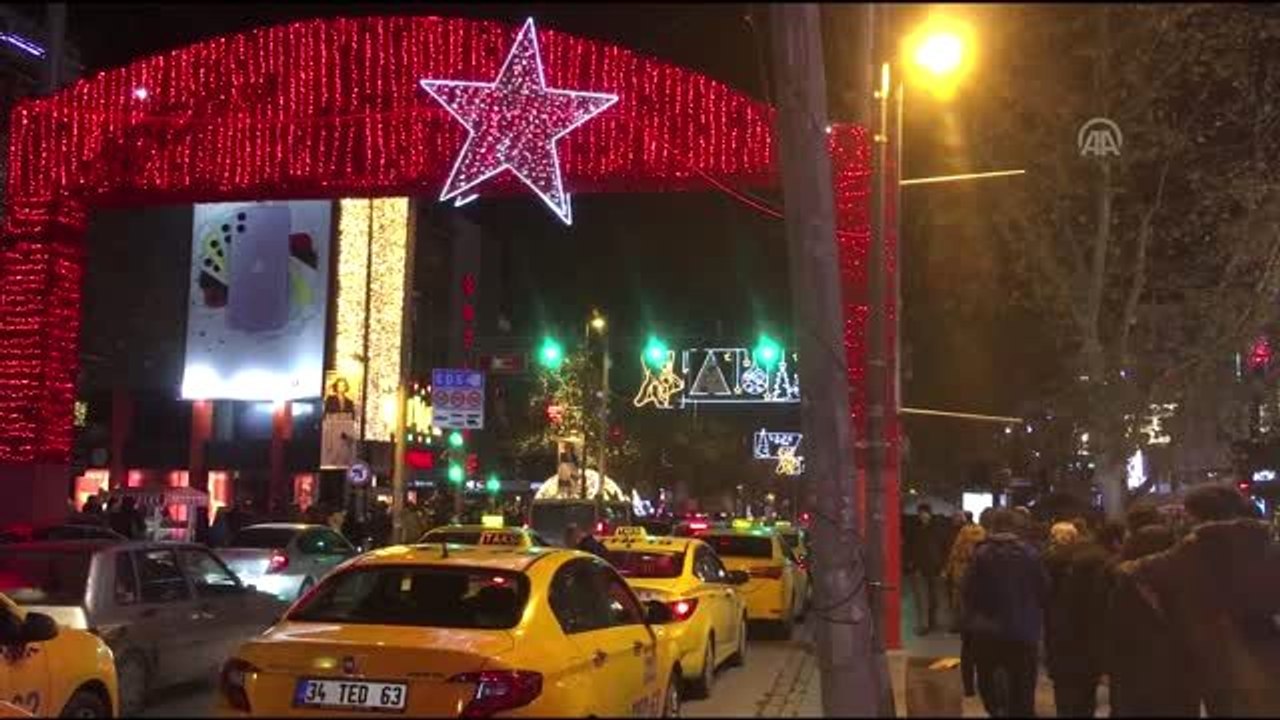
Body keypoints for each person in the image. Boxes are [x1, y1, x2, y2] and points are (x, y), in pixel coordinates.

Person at [1108, 484, 1280, 717]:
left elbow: (1135, 571)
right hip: (1268, 650)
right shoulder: (1267, 545)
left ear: (1198, 515)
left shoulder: (1195, 549)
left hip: (1217, 657)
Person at [962, 507, 1047, 717]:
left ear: (993, 527)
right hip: (1023, 631)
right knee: (1023, 687)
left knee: (988, 682)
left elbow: (968, 590)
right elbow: (1044, 589)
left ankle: (995, 710)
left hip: (988, 632)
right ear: (1015, 527)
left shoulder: (980, 554)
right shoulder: (1030, 554)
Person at [1043, 519, 1124, 717]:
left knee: (1065, 692)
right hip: (1090, 637)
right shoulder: (1103, 562)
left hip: (1060, 634)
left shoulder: (1050, 561)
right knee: (1086, 692)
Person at [944, 521, 987, 696]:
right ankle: (983, 685)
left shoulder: (956, 558)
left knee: (967, 648)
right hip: (981, 609)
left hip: (963, 609)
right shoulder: (983, 558)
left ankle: (968, 688)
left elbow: (951, 583)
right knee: (982, 649)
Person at [905, 503, 952, 635]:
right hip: (919, 568)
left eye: (925, 513)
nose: (923, 516)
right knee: (921, 598)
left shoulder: (939, 529)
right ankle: (924, 625)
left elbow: (946, 548)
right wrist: (910, 564)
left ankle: (932, 622)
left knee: (934, 598)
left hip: (936, 568)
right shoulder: (914, 529)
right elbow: (908, 547)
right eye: (921, 513)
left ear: (930, 514)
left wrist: (944, 567)